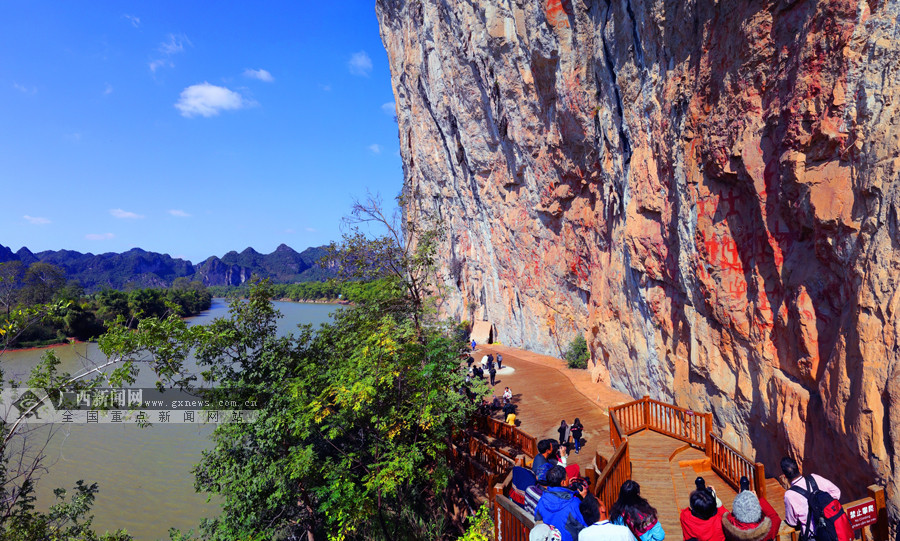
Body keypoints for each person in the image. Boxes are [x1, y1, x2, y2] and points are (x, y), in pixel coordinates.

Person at [781, 457, 845, 540]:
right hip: (832, 529)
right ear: (799, 468)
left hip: (813, 536)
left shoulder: (789, 495)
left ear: (785, 476)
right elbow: (836, 492)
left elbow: (792, 522)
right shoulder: (815, 478)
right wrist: (826, 508)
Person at [535, 465, 588, 541]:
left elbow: (538, 519)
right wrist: (586, 498)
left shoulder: (542, 500)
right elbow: (585, 527)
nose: (569, 478)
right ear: (563, 482)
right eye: (567, 477)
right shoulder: (573, 503)